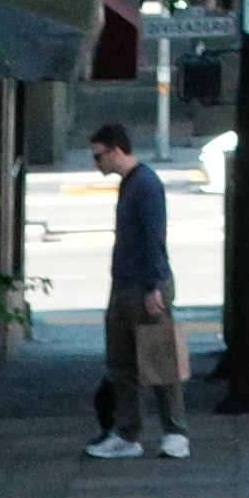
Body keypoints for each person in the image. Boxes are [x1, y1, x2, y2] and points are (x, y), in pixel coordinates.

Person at [86, 120, 191, 460]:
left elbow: (154, 235)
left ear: (116, 150)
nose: (96, 163)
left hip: (143, 284)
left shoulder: (145, 185)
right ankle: (127, 433)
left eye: (99, 156)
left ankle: (175, 433)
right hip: (125, 284)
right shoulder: (133, 184)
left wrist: (156, 285)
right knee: (122, 365)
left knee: (160, 360)